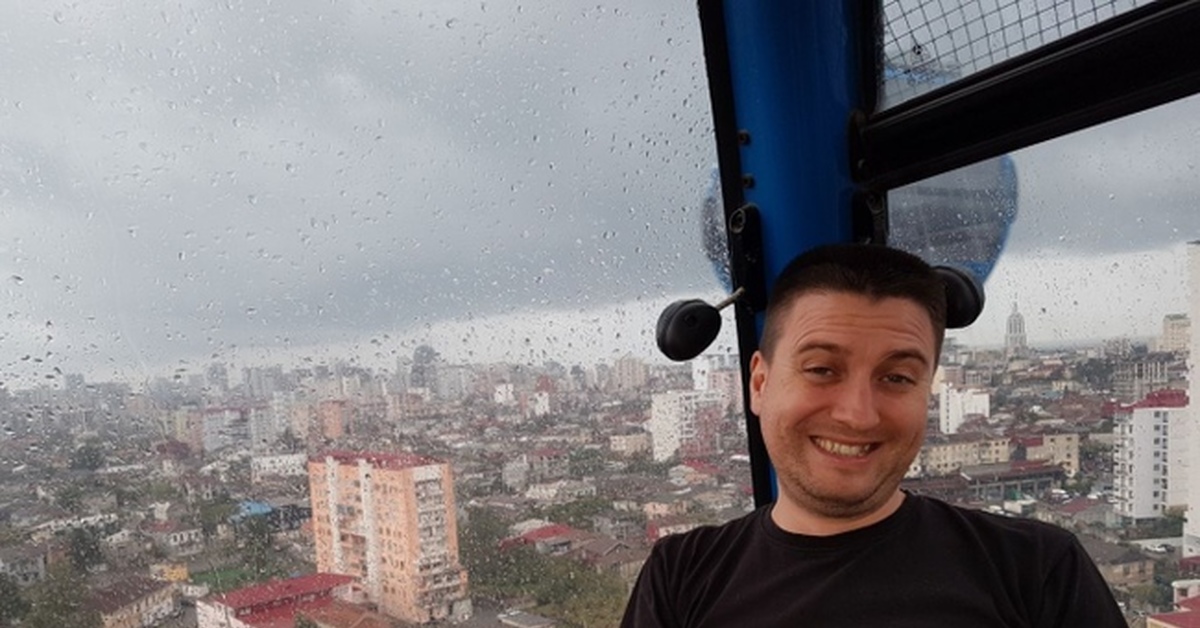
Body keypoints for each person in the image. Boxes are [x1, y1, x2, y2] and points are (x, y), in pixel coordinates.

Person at [621, 243, 1126, 627]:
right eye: (822, 369)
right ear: (759, 384)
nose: (858, 416)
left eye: (897, 378)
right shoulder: (681, 576)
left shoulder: (1036, 571)